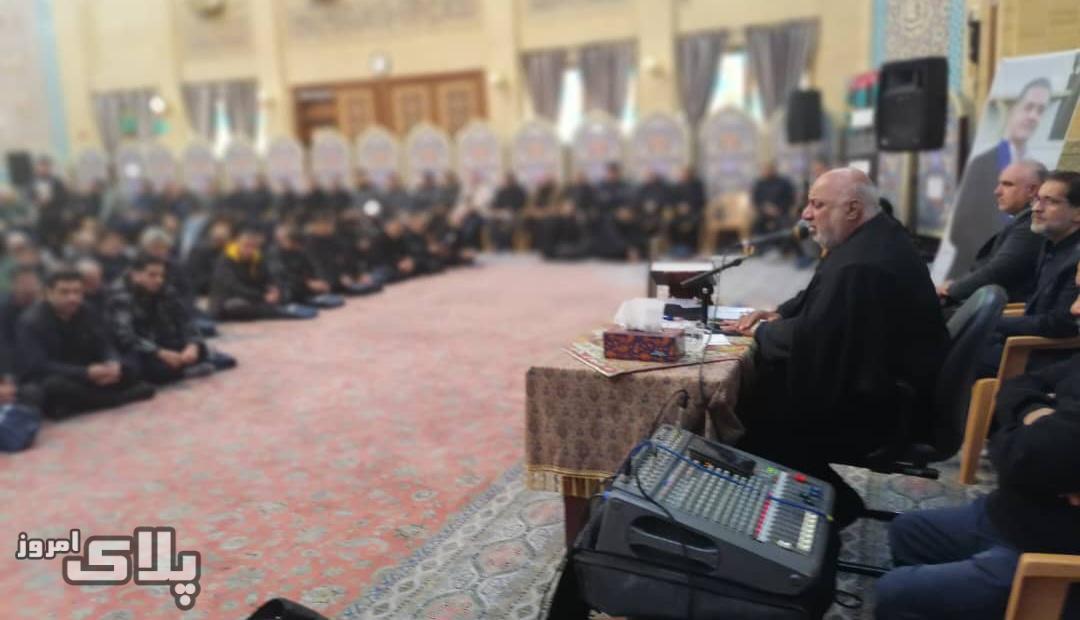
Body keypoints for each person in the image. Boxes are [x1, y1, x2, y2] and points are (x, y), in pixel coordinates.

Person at [724, 168, 949, 526]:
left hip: (883, 411)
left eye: (817, 205)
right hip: (887, 386)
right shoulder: (875, 237)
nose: (806, 214)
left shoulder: (860, 266)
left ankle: (834, 506)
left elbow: (817, 341)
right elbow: (822, 301)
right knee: (760, 395)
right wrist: (780, 313)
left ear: (852, 209)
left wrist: (763, 334)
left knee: (744, 418)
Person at [875, 285, 1080, 619]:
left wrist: (1032, 427)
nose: (1074, 308)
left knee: (896, 592)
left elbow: (1016, 460)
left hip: (1052, 554)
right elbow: (1020, 384)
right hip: (1013, 512)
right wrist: (1037, 413)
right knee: (907, 533)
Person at [977, 170, 1080, 377]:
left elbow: (1060, 324)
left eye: (1051, 202)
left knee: (951, 354)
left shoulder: (1076, 258)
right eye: (1037, 200)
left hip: (1046, 356)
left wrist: (994, 323)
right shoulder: (1050, 244)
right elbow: (1035, 307)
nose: (1036, 208)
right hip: (1025, 342)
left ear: (1077, 213)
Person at [948, 78, 1052, 278]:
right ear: (1013, 109)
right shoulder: (982, 162)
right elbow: (959, 228)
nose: (1033, 116)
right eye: (1028, 107)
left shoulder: (1031, 223)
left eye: (1040, 110)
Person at [15, 270, 155, 418]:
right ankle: (118, 399)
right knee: (54, 386)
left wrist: (111, 362)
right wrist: (86, 373)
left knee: (129, 367)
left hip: (89, 370)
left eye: (77, 292)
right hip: (58, 375)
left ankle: (78, 403)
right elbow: (39, 366)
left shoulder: (86, 310)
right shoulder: (31, 322)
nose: (72, 298)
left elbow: (103, 343)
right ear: (48, 293)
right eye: (64, 292)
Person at [107, 254, 235, 384]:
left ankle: (187, 366)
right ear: (135, 275)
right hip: (144, 347)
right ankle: (189, 369)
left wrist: (192, 344)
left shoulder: (164, 289)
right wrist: (160, 352)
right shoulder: (120, 296)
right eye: (152, 275)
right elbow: (126, 336)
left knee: (200, 347)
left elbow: (184, 319)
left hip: (164, 340)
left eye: (161, 275)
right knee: (148, 368)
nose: (159, 280)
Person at [938, 161, 1047, 305]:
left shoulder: (1030, 224)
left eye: (1007, 184)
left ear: (1032, 190)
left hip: (1004, 310)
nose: (997, 191)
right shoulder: (1023, 221)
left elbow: (999, 271)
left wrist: (951, 290)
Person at [208, 226, 317, 321]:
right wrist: (262, 296)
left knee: (282, 294)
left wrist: (274, 290)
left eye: (253, 247)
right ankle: (279, 311)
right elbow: (234, 287)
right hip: (229, 300)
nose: (249, 250)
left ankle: (275, 309)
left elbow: (268, 278)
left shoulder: (257, 259)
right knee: (237, 306)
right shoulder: (226, 260)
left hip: (254, 299)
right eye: (246, 246)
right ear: (238, 244)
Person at [267, 222, 344, 308]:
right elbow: (282, 275)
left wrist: (320, 281)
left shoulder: (298, 250)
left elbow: (312, 268)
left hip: (304, 286)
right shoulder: (274, 253)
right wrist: (308, 283)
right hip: (288, 288)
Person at [667, 166, 706, 257]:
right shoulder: (677, 187)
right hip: (679, 213)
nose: (683, 175)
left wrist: (689, 207)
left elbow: (701, 201)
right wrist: (679, 207)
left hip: (694, 212)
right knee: (671, 223)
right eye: (682, 174)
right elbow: (672, 200)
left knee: (693, 224)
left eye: (685, 173)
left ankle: (692, 248)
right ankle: (677, 246)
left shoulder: (697, 186)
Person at [750, 161, 797, 236]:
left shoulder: (784, 183)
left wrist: (778, 209)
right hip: (764, 214)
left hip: (782, 213)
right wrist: (765, 209)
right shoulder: (759, 184)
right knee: (756, 226)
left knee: (785, 227)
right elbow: (756, 200)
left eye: (769, 168)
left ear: (774, 169)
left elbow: (790, 199)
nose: (767, 171)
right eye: (765, 169)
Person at [490, 172, 527, 251]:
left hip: (515, 215)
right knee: (492, 223)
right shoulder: (501, 191)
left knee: (507, 225)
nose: (506, 182)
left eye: (508, 180)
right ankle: (498, 245)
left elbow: (522, 205)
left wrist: (511, 211)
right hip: (501, 214)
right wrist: (498, 212)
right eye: (505, 180)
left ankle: (507, 246)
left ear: (513, 180)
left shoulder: (519, 192)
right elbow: (495, 205)